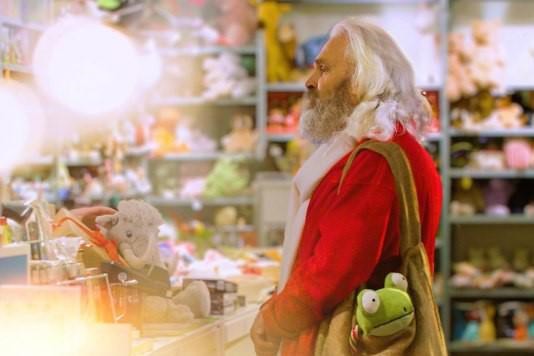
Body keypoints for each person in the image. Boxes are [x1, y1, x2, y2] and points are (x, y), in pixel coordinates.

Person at [250, 19, 442, 356]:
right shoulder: (397, 148)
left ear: (360, 81)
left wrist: (274, 317)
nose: (310, 82)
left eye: (323, 69)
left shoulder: (374, 162)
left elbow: (331, 272)